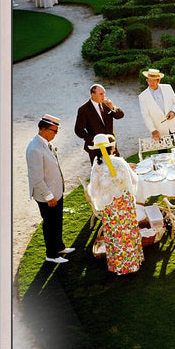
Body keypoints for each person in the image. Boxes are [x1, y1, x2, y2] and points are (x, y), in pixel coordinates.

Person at [87, 134, 144, 275]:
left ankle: (119, 265)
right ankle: (133, 262)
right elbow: (135, 180)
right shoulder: (120, 162)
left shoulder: (97, 166)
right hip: (125, 204)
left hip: (110, 206)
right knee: (128, 233)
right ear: (111, 148)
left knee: (115, 235)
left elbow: (93, 191)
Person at [26, 114, 74, 264]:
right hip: (48, 196)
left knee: (57, 221)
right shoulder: (35, 148)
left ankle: (59, 247)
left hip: (56, 192)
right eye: (54, 131)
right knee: (50, 225)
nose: (55, 134)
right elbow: (36, 178)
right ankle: (51, 255)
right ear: (44, 129)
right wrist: (48, 196)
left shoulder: (45, 143)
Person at [138, 67, 175, 151]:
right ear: (147, 81)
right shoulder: (142, 96)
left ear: (159, 80)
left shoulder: (167, 88)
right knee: (163, 155)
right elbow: (145, 115)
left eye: (154, 80)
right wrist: (153, 130)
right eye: (150, 80)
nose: (152, 83)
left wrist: (173, 112)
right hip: (159, 130)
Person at [74, 84, 125, 164]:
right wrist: (92, 139)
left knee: (119, 170)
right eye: (101, 94)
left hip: (111, 145)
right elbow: (78, 130)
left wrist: (112, 107)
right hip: (96, 148)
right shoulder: (83, 109)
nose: (103, 96)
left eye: (104, 93)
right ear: (92, 94)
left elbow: (120, 115)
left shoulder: (107, 104)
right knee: (100, 173)